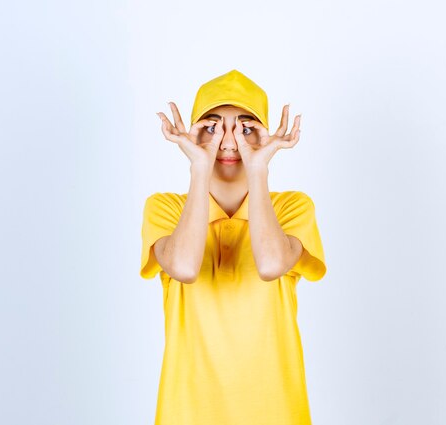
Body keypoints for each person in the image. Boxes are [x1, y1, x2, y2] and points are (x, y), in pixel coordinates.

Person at [139, 69, 327, 425]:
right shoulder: (165, 208)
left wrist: (258, 169)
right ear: (193, 133)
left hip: (276, 412)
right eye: (211, 127)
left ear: (263, 134)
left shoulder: (292, 208)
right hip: (188, 412)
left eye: (245, 128)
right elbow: (184, 268)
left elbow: (271, 265)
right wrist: (199, 166)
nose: (227, 142)